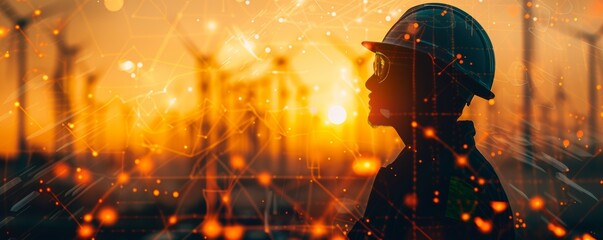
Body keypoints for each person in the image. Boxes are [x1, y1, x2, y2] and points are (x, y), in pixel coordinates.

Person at [348, 3, 515, 239]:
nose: (370, 83)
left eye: (384, 68)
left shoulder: (453, 185)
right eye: (377, 65)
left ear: (432, 86)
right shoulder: (418, 168)